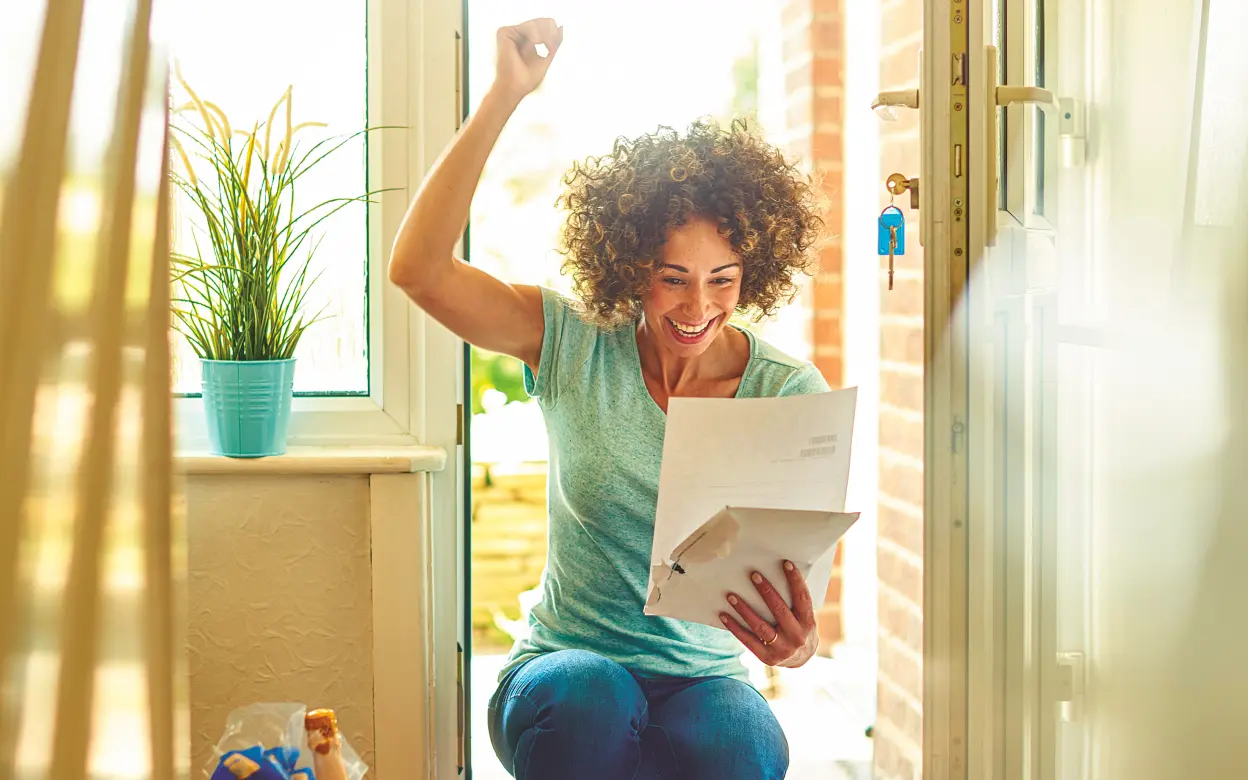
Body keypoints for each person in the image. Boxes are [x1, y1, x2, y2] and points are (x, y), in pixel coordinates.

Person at [389, 17, 832, 780]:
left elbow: (793, 582)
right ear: (629, 265)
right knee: (591, 697)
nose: (697, 307)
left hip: (704, 681)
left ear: (752, 270)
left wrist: (799, 646)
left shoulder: (787, 393)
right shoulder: (573, 341)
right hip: (565, 673)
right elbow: (420, 270)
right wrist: (504, 95)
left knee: (745, 743)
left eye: (722, 279)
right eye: (672, 277)